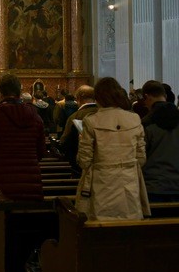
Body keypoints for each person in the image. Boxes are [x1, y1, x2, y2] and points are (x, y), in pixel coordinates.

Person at [76, 77, 150, 220]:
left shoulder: (91, 121)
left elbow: (84, 161)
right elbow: (141, 159)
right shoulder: (134, 119)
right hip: (129, 185)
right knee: (127, 230)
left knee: (102, 230)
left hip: (102, 184)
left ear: (98, 97)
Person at [0, 73, 46, 203]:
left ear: (0, 93)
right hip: (30, 184)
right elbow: (41, 153)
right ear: (20, 91)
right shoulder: (36, 118)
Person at [140, 81, 179, 202]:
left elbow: (141, 154)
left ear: (146, 97)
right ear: (165, 96)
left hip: (153, 185)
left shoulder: (146, 122)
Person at [59, 85, 98, 170]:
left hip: (81, 163)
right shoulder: (104, 113)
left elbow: (65, 140)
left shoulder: (75, 117)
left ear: (79, 98)